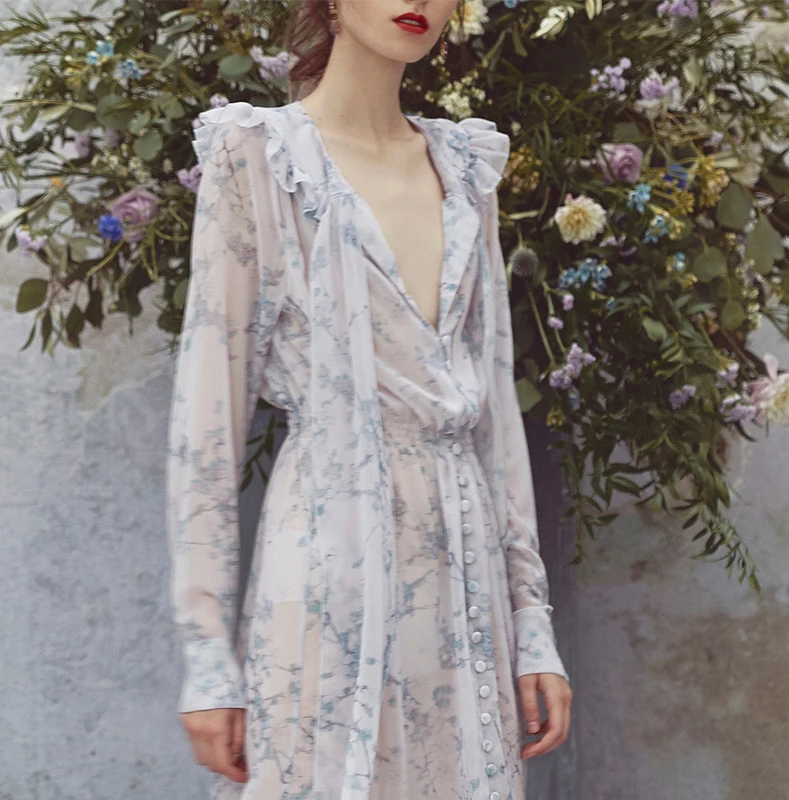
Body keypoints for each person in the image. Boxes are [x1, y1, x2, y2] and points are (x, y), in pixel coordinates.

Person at [165, 0, 573, 797]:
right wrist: (206, 651)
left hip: (464, 580)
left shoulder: (465, 168)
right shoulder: (258, 157)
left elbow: (492, 410)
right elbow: (206, 420)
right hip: (327, 566)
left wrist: (532, 625)